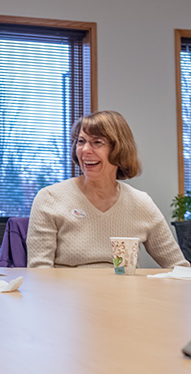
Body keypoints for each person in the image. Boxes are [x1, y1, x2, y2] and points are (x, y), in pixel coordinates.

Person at [27, 110, 189, 269]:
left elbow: (179, 267)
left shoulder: (141, 203)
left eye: (97, 142)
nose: (85, 150)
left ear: (119, 149)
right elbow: (40, 271)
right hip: (67, 294)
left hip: (125, 294)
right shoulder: (49, 198)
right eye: (81, 141)